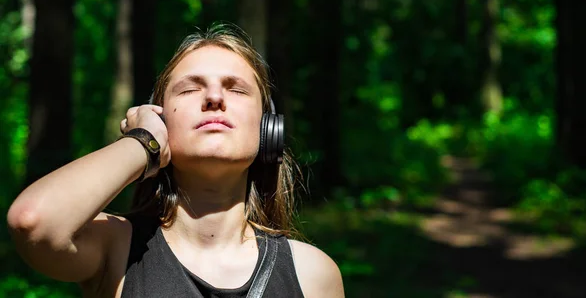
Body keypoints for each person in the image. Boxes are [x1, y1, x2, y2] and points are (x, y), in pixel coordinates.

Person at [7, 23, 344, 297]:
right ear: (161, 118)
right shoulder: (117, 248)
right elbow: (34, 221)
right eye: (189, 89)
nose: (214, 98)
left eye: (236, 89)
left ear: (268, 128)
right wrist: (142, 144)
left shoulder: (314, 275)